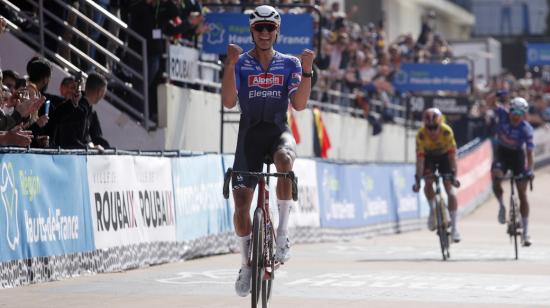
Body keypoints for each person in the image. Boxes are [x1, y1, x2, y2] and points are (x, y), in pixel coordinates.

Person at [220, 5, 314, 298]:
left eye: (269, 28)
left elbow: (298, 105)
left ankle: (283, 234)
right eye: (259, 27)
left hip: (277, 133)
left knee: (286, 160)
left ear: (277, 31)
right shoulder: (242, 62)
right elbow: (227, 102)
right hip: (248, 136)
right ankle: (247, 264)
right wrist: (230, 66)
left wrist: (308, 70)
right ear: (252, 31)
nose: (264, 33)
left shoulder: (290, 63)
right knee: (240, 205)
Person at [488, 96, 534, 247]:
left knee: (522, 192)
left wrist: (530, 170)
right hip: (502, 152)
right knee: (496, 177)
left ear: (524, 114)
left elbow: (529, 152)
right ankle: (501, 205)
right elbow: (489, 101)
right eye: (513, 111)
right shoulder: (502, 113)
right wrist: (497, 94)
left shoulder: (526, 128)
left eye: (520, 113)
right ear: (509, 110)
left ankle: (526, 232)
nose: (515, 116)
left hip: (517, 156)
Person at [412, 108, 461, 243]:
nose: (432, 131)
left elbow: (452, 158)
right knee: (428, 182)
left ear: (440, 124)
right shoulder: (421, 135)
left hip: (445, 157)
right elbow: (420, 161)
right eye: (429, 127)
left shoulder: (447, 132)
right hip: (429, 159)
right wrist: (418, 179)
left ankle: (455, 228)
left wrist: (454, 176)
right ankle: (433, 210)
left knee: (450, 189)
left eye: (435, 127)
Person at [54, 72, 110, 150]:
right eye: (104, 92)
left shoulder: (88, 111)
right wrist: (90, 148)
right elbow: (69, 141)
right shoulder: (78, 109)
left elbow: (86, 138)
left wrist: (90, 145)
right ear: (99, 92)